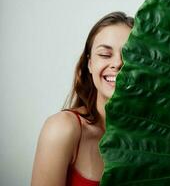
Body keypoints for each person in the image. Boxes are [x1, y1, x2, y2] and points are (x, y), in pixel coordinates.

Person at [31, 11, 134, 186]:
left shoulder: (153, 138)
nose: (117, 63)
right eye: (105, 55)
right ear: (90, 64)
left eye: (129, 55)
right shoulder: (62, 129)